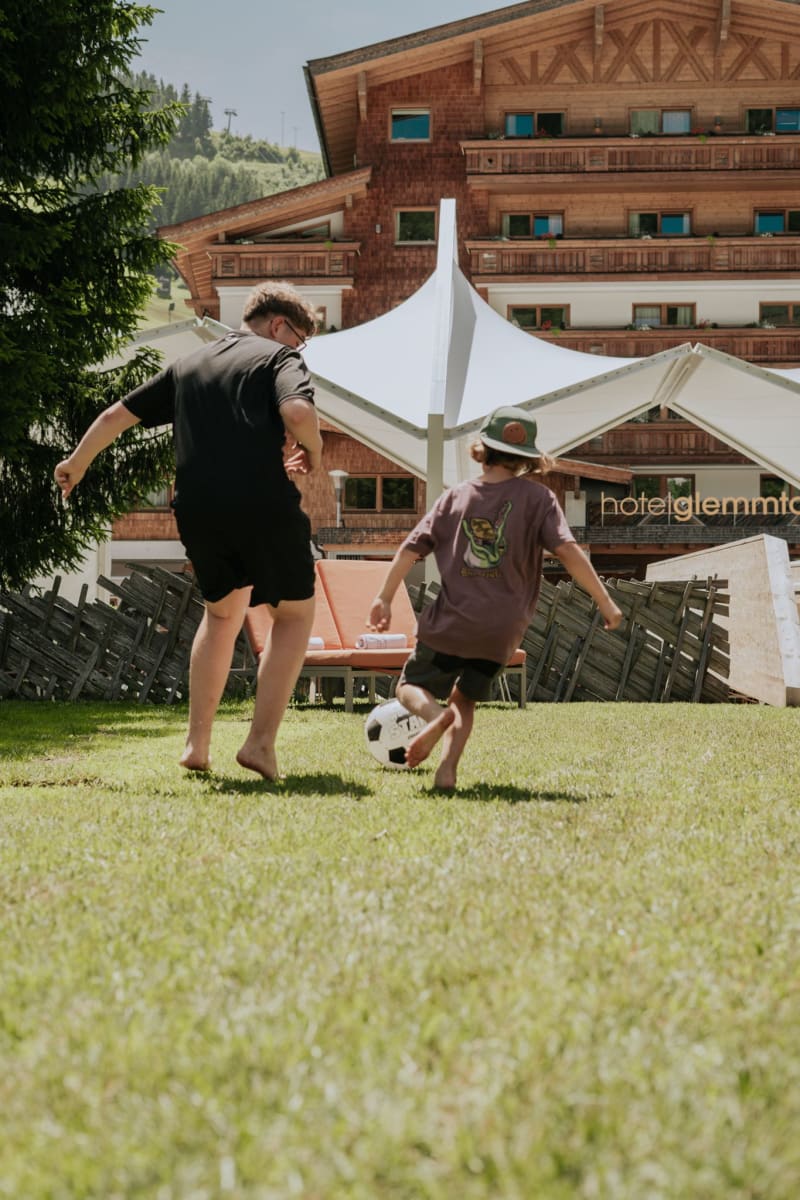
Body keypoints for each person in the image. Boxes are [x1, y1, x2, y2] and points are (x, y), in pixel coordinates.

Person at [54, 280, 323, 781]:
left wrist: (77, 462)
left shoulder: (190, 364)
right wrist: (316, 448)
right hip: (261, 499)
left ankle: (197, 745)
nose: (298, 350)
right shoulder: (277, 358)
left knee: (222, 614)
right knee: (294, 616)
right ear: (279, 325)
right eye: (299, 339)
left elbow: (117, 415)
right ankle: (260, 745)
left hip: (195, 507)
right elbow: (298, 411)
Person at [367, 405, 623, 791]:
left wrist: (384, 597)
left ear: (481, 449)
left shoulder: (454, 498)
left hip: (452, 623)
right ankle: (446, 772)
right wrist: (605, 601)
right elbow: (569, 551)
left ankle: (436, 716)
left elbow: (409, 550)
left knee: (407, 687)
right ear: (528, 460)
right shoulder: (539, 498)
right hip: (502, 631)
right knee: (465, 700)